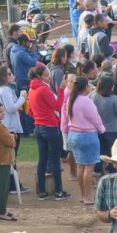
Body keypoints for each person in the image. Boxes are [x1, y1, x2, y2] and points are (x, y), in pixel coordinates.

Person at [27, 63, 71, 200]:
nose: (49, 78)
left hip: (38, 127)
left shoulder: (32, 89)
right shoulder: (43, 89)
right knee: (54, 160)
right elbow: (57, 105)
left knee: (42, 159)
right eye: (46, 75)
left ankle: (42, 192)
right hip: (50, 127)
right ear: (39, 76)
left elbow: (30, 111)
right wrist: (61, 90)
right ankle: (58, 192)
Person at [61, 75, 105, 205]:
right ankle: (89, 196)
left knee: (80, 166)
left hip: (73, 135)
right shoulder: (86, 101)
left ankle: (82, 194)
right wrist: (102, 129)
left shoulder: (71, 100)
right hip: (87, 136)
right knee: (89, 167)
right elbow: (95, 118)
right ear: (85, 87)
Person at [92, 74, 117, 174]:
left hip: (99, 129)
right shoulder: (114, 99)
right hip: (113, 130)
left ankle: (97, 173)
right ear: (110, 87)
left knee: (100, 153)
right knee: (113, 153)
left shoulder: (94, 96)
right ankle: (112, 173)